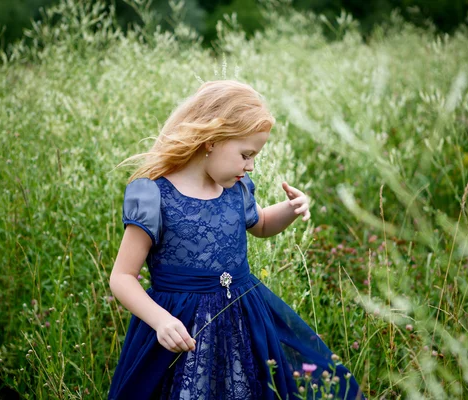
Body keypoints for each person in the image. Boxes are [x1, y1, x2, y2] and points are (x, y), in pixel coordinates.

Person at [108, 80, 365, 399]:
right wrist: (161, 321)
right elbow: (121, 277)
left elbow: (262, 223)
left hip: (243, 317)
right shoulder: (153, 195)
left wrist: (290, 208)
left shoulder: (236, 189)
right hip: (181, 328)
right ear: (212, 140)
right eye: (246, 154)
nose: (251, 165)